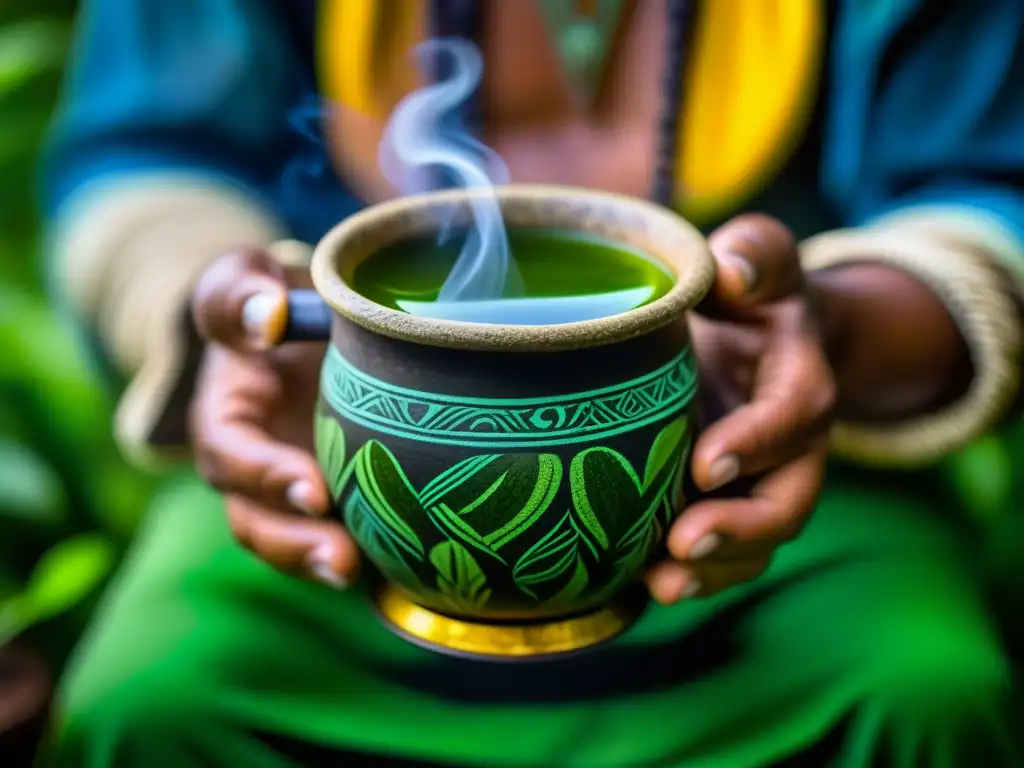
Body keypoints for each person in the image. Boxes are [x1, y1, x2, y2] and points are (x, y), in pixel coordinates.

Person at [39, 0, 1024, 765]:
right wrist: (221, 318)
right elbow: (149, 150)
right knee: (146, 700)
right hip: (329, 460)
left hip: (784, 471)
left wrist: (836, 322)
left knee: (929, 692)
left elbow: (985, 183)